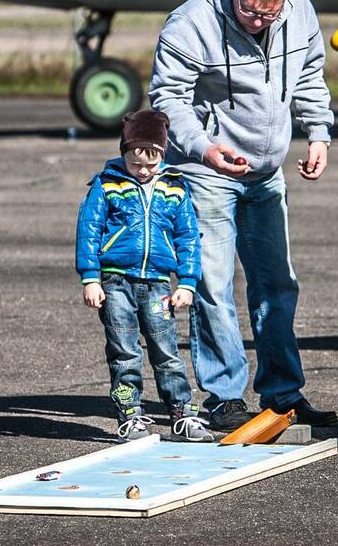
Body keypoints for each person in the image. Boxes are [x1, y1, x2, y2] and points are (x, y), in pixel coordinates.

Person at [149, 0, 337, 432]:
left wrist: (318, 132)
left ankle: (283, 393)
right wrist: (203, 148)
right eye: (249, 10)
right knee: (213, 285)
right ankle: (224, 395)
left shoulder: (299, 11)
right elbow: (167, 98)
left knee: (277, 284)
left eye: (266, 14)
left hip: (267, 170)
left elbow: (311, 75)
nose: (256, 22)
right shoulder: (192, 20)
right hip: (207, 169)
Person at [76, 110, 213, 443]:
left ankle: (181, 413)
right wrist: (91, 277)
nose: (142, 171)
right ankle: (130, 415)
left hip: (158, 284)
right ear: (124, 153)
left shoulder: (175, 188)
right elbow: (89, 229)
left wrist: (188, 282)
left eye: (151, 164)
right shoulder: (107, 184)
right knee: (124, 351)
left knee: (166, 351)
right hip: (115, 280)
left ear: (162, 157)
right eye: (135, 163)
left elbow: (188, 236)